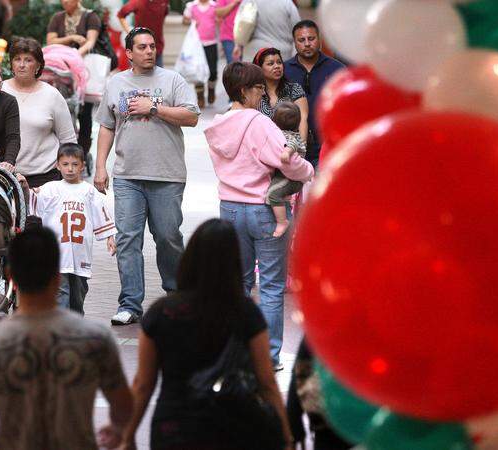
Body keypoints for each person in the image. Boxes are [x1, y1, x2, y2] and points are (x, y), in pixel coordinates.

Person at [117, 219, 294, 450]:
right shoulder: (245, 312)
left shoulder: (161, 312)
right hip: (232, 427)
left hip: (174, 426)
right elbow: (267, 382)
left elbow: (143, 383)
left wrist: (127, 436)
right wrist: (286, 435)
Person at [0, 226, 133, 450]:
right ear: (57, 276)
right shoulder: (95, 340)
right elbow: (124, 409)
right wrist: (118, 431)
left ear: (10, 276)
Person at [204, 62, 313, 369]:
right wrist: (308, 171)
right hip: (264, 208)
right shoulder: (259, 122)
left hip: (229, 207)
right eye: (257, 88)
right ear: (243, 90)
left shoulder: (218, 123)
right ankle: (268, 355)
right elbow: (286, 161)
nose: (261, 93)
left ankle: (237, 350)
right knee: (271, 285)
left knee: (237, 284)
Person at [94, 27, 199, 326]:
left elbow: (191, 116)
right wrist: (101, 166)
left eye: (152, 45)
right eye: (141, 47)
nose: (149, 51)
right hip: (128, 175)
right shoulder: (116, 83)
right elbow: (106, 126)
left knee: (168, 238)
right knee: (128, 240)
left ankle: (176, 296)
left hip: (166, 174)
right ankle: (130, 304)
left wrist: (154, 107)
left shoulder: (172, 80)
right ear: (129, 53)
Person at [27, 143, 117, 315]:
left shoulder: (89, 192)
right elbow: (32, 201)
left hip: (80, 254)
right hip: (57, 254)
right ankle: (61, 328)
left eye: (75, 165)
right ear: (57, 165)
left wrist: (110, 237)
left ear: (83, 165)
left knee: (78, 295)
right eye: (65, 164)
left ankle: (75, 326)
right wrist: (24, 185)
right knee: (60, 293)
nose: (70, 169)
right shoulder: (50, 188)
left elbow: (102, 215)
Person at [2, 37, 77, 188]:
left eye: (28, 60)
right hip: (5, 177)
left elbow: (68, 140)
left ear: (38, 65)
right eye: (17, 59)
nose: (22, 65)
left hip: (45, 178)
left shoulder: (52, 95)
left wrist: (71, 182)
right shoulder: (0, 91)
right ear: (11, 64)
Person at [284, 20, 344, 167]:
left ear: (319, 39)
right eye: (301, 40)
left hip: (327, 146)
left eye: (311, 38)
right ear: (295, 42)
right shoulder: (284, 71)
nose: (307, 44)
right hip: (292, 147)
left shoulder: (337, 70)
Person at [46, 0, 101, 163]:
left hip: (83, 68)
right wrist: (72, 38)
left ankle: (82, 154)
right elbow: (50, 41)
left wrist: (76, 57)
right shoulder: (57, 17)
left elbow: (90, 42)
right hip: (60, 70)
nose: (65, 2)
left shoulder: (90, 17)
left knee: (85, 115)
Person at [286, 339, 351, 450]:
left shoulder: (323, 332)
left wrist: (294, 425)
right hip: (373, 421)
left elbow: (301, 374)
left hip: (329, 422)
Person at [253, 47, 308, 143]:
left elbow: (303, 119)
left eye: (279, 62)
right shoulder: (254, 93)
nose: (277, 66)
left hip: (291, 148)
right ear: (259, 68)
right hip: (262, 149)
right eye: (270, 63)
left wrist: (301, 149)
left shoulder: (294, 89)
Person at [268, 102, 306, 237]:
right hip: (287, 176)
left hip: (290, 178)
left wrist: (287, 153)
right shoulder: (287, 133)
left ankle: (282, 221)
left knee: (273, 193)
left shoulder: (288, 136)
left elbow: (292, 144)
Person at [233, 0, 300, 63]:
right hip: (281, 55)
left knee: (253, 75)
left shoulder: (249, 1)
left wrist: (237, 45)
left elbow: (240, 23)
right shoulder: (287, 3)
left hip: (253, 54)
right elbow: (298, 29)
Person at [183, 0, 219, 107]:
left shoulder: (214, 6)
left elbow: (220, 19)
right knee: (197, 71)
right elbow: (184, 21)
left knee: (213, 71)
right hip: (196, 45)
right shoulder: (191, 6)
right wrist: (191, 22)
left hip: (211, 43)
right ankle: (200, 96)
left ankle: (211, 89)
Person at [117, 0, 170, 67]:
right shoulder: (137, 1)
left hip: (157, 48)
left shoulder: (164, 1)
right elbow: (121, 15)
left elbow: (164, 15)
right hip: (139, 51)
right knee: (137, 77)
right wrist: (130, 32)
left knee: (159, 76)